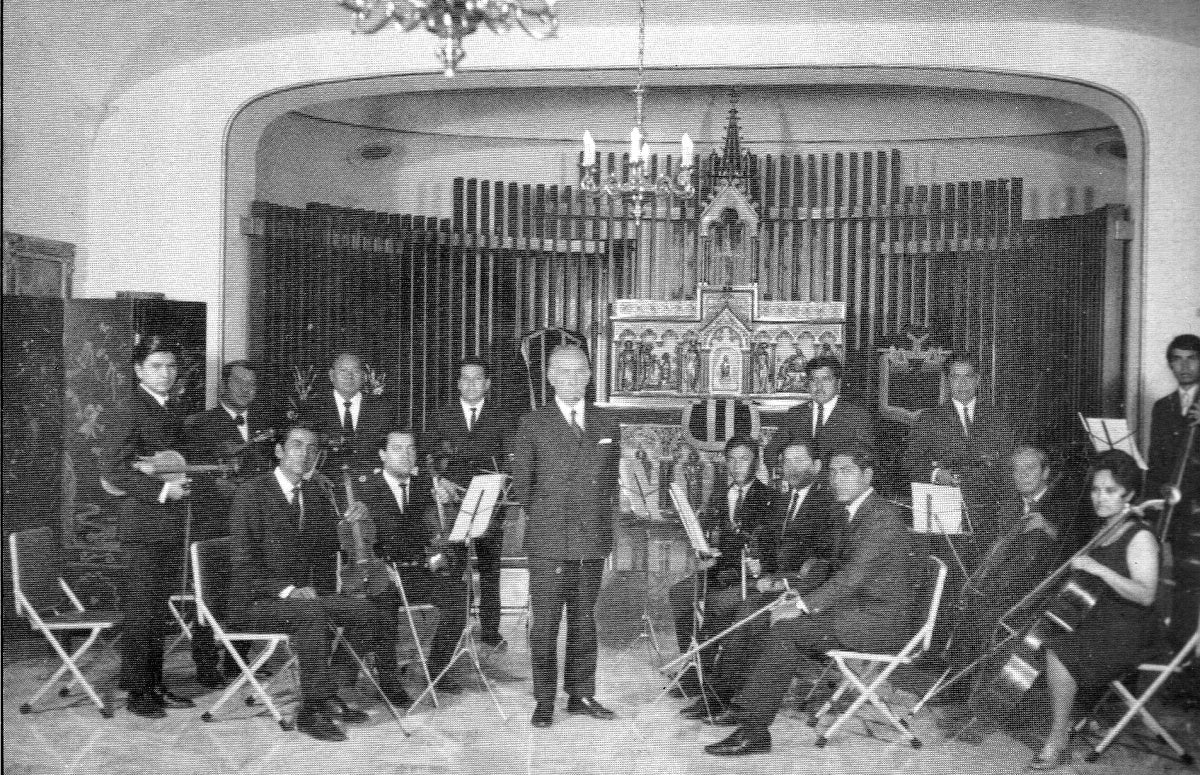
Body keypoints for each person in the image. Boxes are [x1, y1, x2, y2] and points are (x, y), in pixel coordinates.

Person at [704, 445, 916, 756]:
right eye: (833, 472)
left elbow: (851, 577)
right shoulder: (849, 511)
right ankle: (737, 703)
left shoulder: (881, 518)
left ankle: (753, 731)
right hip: (852, 608)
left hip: (878, 620)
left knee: (785, 630)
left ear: (867, 476)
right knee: (761, 611)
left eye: (846, 472)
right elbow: (831, 568)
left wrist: (802, 605)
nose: (837, 479)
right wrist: (795, 591)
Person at [228, 425, 409, 742]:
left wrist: (358, 520)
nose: (305, 454)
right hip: (254, 601)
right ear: (279, 451)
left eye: (312, 449)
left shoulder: (313, 493)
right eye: (297, 446)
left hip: (301, 598)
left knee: (369, 608)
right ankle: (310, 712)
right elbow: (243, 563)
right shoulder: (251, 493)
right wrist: (287, 591)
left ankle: (327, 689)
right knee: (312, 613)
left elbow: (329, 546)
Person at [508, 344, 622, 728]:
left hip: (591, 538)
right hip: (549, 539)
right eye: (564, 371)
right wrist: (554, 512)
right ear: (551, 377)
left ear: (589, 375)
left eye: (579, 371)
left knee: (584, 621)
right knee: (544, 625)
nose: (572, 379)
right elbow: (522, 486)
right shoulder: (532, 422)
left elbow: (610, 481)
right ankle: (544, 699)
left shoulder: (607, 423)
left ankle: (581, 693)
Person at [678, 439, 834, 717]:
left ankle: (726, 696)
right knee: (721, 604)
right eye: (786, 461)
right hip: (772, 580)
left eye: (799, 461)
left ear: (817, 466)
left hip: (803, 589)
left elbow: (823, 562)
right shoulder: (785, 500)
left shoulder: (827, 505)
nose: (791, 468)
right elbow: (774, 550)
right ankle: (714, 686)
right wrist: (759, 565)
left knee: (743, 609)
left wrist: (781, 581)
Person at [1028, 450, 1161, 769]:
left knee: (1058, 650)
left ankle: (1057, 740)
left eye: (1110, 491)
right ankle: (1079, 715)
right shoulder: (1104, 528)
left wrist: (1099, 570)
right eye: (1096, 490)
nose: (1100, 498)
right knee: (1043, 634)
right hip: (1100, 620)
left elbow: (1145, 594)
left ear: (1129, 494)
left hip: (1129, 631)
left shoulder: (1140, 536)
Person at [931, 444, 1079, 713]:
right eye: (1017, 470)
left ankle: (978, 696)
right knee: (967, 603)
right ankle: (958, 685)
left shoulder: (1064, 506)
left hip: (1040, 592)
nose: (1023, 475)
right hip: (1005, 585)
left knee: (984, 612)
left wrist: (1049, 528)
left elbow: (1074, 551)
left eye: (1030, 469)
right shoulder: (1010, 505)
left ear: (1046, 473)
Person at [100, 334, 196, 718]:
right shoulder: (129, 407)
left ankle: (154, 684)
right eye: (156, 366)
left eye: (171, 366)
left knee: (157, 610)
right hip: (142, 526)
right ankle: (138, 693)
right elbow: (113, 470)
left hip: (168, 525)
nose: (165, 373)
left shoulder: (169, 408)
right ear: (139, 370)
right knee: (142, 610)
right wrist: (162, 492)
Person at [181, 359, 275, 688]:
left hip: (253, 523)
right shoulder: (200, 424)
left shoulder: (265, 423)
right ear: (223, 385)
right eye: (239, 382)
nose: (247, 390)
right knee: (209, 593)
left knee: (247, 588)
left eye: (252, 384)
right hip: (214, 522)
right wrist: (221, 488)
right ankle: (206, 665)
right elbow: (193, 473)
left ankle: (239, 661)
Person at [667, 435, 779, 698]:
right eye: (731, 460)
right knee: (680, 593)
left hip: (749, 574)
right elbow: (711, 535)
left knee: (717, 601)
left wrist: (744, 558)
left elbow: (770, 546)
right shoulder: (720, 496)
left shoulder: (771, 498)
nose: (737, 465)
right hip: (720, 570)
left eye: (744, 459)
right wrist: (705, 549)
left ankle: (706, 671)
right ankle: (695, 665)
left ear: (756, 462)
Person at [357, 427, 468, 687]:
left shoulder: (426, 486)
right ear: (382, 455)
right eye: (397, 449)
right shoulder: (365, 489)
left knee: (459, 595)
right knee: (383, 603)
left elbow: (441, 530)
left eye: (411, 449)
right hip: (382, 574)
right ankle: (389, 681)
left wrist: (449, 503)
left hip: (418, 572)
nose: (406, 455)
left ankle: (437, 669)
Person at [426, 357, 513, 649]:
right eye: (465, 378)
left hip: (490, 503)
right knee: (455, 570)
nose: (471, 384)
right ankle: (455, 630)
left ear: (487, 384)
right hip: (451, 504)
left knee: (490, 570)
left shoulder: (502, 417)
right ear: (458, 383)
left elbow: (510, 460)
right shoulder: (441, 416)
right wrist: (441, 481)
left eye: (477, 378)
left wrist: (499, 487)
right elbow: (429, 458)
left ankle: (490, 632)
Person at [905, 352, 1015, 548]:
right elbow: (910, 464)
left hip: (988, 515)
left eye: (968, 376)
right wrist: (936, 474)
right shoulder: (929, 419)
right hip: (943, 512)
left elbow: (1009, 469)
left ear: (977, 380)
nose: (962, 383)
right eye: (956, 377)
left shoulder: (997, 418)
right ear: (948, 381)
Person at [1146, 334, 1200, 706]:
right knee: (1180, 593)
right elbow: (1156, 465)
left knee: (1192, 595)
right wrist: (1153, 514)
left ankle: (1189, 680)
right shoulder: (1162, 407)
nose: (1184, 366)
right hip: (1175, 516)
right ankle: (1178, 678)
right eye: (1177, 359)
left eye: (1191, 358)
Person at [764, 355, 875, 465]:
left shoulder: (857, 416)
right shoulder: (795, 414)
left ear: (838, 383)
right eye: (813, 380)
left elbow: (866, 459)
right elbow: (771, 451)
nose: (819, 386)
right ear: (807, 384)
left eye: (826, 379)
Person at [300, 352, 391, 476]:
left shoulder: (382, 408)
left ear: (363, 376)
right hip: (323, 481)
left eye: (355, 371)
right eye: (343, 371)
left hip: (370, 482)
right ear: (332, 375)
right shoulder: (313, 408)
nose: (349, 376)